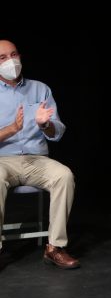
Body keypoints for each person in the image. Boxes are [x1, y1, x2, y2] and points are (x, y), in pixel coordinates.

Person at [0, 40, 79, 269]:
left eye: (14, 55)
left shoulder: (40, 89)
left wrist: (45, 126)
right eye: (3, 58)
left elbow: (58, 132)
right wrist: (11, 130)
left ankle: (54, 247)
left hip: (36, 159)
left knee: (64, 175)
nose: (10, 61)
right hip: (3, 160)